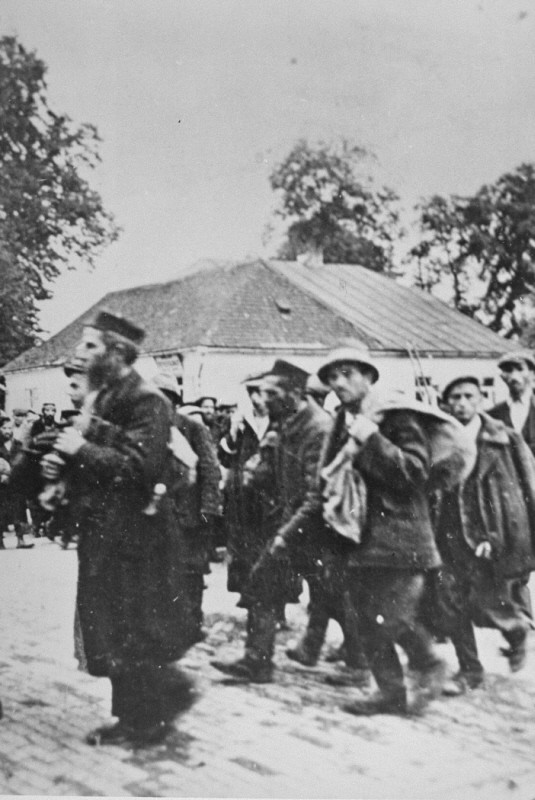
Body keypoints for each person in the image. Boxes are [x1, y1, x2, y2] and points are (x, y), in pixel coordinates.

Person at [41, 311, 190, 745]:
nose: (80, 352)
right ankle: (131, 717)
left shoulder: (147, 401)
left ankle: (144, 722)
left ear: (117, 353)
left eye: (90, 345)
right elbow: (95, 464)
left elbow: (141, 470)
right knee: (110, 627)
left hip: (138, 541)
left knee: (135, 629)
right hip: (105, 534)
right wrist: (62, 481)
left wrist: (81, 447)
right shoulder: (104, 398)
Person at [300, 346, 446, 716]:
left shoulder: (396, 416)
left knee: (391, 618)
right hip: (358, 538)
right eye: (332, 376)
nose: (338, 382)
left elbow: (415, 472)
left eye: (348, 373)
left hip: (401, 537)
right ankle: (390, 693)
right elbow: (328, 475)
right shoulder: (341, 419)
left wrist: (372, 439)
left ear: (369, 376)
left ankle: (430, 664)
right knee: (366, 620)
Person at [212, 359, 335, 683]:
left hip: (319, 527)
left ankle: (360, 661)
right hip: (292, 521)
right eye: (260, 393)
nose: (261, 401)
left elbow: (317, 493)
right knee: (264, 582)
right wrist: (256, 470)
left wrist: (285, 534)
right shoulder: (285, 424)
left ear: (294, 394)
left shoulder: (319, 428)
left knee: (333, 594)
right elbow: (269, 476)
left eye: (270, 394)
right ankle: (257, 661)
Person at [430, 377, 535, 691]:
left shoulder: (504, 438)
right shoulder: (439, 437)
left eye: (468, 397)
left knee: (492, 601)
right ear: (446, 402)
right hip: (447, 531)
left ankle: (517, 633)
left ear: (479, 400)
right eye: (455, 397)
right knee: (451, 601)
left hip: (490, 534)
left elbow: (523, 489)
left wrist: (504, 536)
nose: (462, 403)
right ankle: (469, 671)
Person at [153, 372, 222, 645]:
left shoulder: (193, 428)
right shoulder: (146, 430)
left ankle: (192, 622)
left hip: (190, 515)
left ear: (174, 402)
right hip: (157, 514)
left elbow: (210, 470)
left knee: (191, 571)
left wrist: (208, 510)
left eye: (165, 399)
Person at [488, 350, 535, 666]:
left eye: (518, 369)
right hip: (509, 499)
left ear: (531, 373)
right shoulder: (494, 414)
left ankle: (522, 629)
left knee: (524, 564)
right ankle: (521, 632)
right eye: (507, 371)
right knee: (514, 561)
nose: (513, 376)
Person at [0, 416, 34, 549]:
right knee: (1, 511)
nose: (7, 431)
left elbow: (23, 462)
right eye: (4, 428)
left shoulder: (18, 444)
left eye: (9, 428)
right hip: (1, 484)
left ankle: (21, 539)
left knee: (19, 510)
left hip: (15, 483)